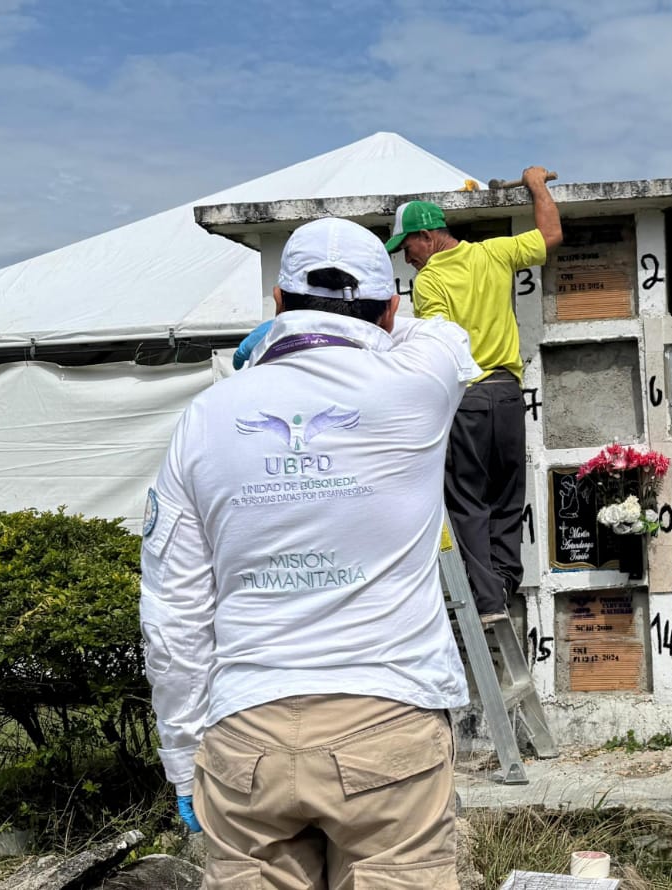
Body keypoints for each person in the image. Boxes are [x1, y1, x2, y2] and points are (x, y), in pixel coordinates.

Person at [141, 217, 480, 890]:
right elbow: (446, 334)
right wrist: (371, 325)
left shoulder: (206, 419)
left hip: (246, 732)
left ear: (274, 305)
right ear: (388, 309)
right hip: (389, 721)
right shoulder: (415, 385)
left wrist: (183, 757)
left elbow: (173, 613)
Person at [386, 166, 563, 617]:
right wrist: (536, 182)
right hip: (508, 397)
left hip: (467, 399)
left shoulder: (429, 281)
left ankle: (487, 602)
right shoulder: (495, 254)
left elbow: (441, 344)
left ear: (426, 236)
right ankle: (505, 583)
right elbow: (550, 235)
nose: (406, 258)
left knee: (467, 501)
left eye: (406, 247)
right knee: (507, 496)